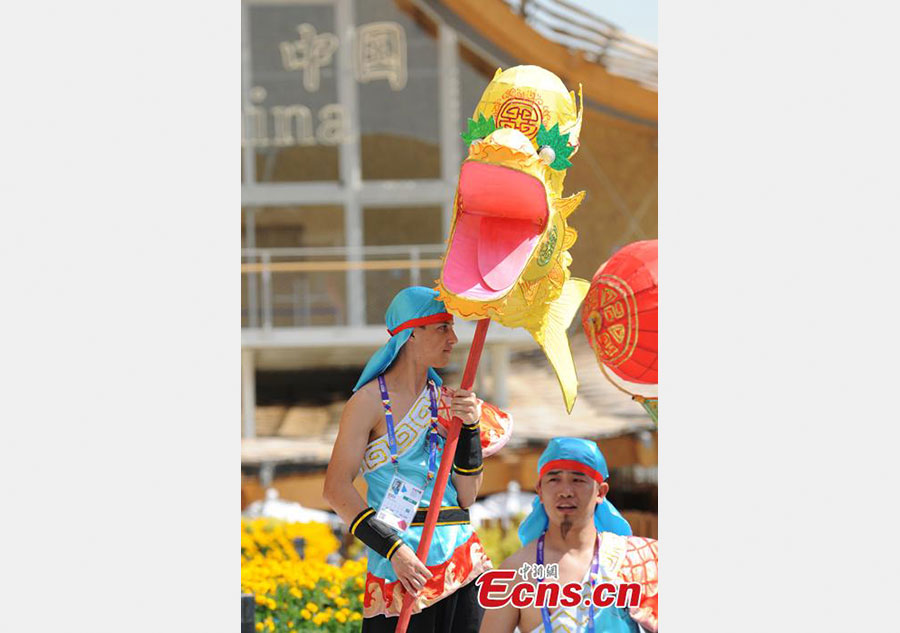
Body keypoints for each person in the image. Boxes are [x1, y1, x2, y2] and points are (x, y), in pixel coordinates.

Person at [324, 286, 494, 633]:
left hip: (463, 561)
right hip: (399, 565)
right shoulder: (366, 403)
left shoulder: (449, 401)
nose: (454, 338)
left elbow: (466, 496)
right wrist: (394, 551)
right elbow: (335, 489)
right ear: (412, 333)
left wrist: (472, 429)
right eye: (442, 327)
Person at [480, 438, 658, 633]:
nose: (565, 491)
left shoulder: (639, 559)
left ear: (601, 492)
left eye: (578, 479)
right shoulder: (515, 571)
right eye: (554, 479)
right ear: (540, 490)